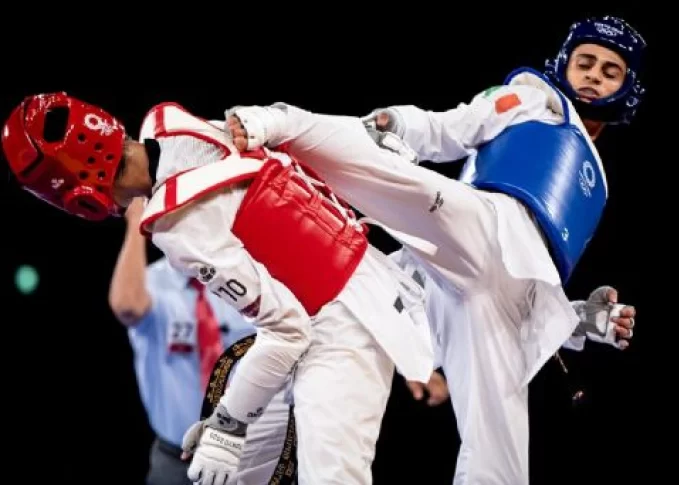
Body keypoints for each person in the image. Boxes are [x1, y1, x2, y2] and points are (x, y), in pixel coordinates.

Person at [220, 14, 643, 484]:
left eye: (610, 71)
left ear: (628, 88)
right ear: (564, 63)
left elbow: (528, 279)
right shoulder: (534, 98)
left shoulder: (594, 185)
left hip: (490, 301)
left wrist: (575, 319)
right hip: (478, 227)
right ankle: (276, 122)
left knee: (500, 462)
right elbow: (453, 127)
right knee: (396, 180)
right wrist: (400, 122)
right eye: (585, 62)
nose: (593, 75)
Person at [1, 94, 436, 485]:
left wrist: (229, 422)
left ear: (79, 191)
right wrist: (224, 422)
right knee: (231, 470)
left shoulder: (181, 229)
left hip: (344, 321)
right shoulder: (175, 126)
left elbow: (288, 330)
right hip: (357, 274)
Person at [109, 197, 291, 485]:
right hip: (174, 461)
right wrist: (135, 224)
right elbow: (127, 306)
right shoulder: (151, 283)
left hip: (243, 454)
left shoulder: (245, 277)